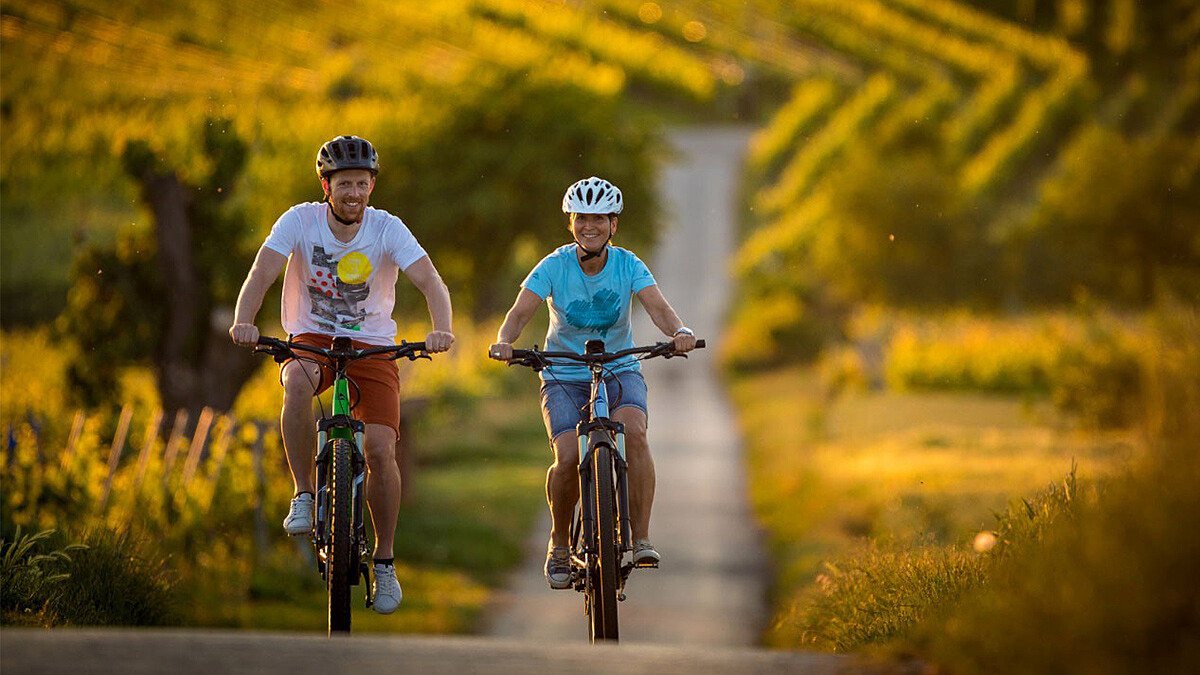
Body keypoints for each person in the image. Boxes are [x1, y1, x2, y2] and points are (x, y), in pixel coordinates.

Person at [229, 135, 454, 614]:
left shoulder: (387, 228)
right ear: (325, 186)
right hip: (311, 339)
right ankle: (305, 496)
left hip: (373, 346)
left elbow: (430, 280)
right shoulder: (299, 221)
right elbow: (262, 272)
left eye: (361, 183)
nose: (353, 192)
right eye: (343, 183)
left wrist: (443, 330)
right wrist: (244, 319)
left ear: (372, 185)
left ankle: (386, 562)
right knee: (295, 383)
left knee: (379, 449)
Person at [488, 176, 697, 589]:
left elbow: (659, 308)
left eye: (598, 218)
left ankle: (640, 538)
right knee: (567, 457)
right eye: (582, 218)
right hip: (563, 373)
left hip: (619, 368)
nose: (590, 226)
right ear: (571, 223)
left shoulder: (628, 265)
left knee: (635, 432)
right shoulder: (552, 266)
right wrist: (504, 342)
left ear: (613, 224)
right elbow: (519, 313)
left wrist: (679, 332)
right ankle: (560, 543)